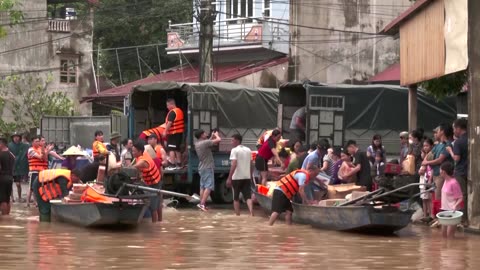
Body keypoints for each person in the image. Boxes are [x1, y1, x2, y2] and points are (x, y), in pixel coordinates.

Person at [131, 141, 163, 223]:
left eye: (134, 151)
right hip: (155, 180)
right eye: (132, 150)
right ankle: (160, 222)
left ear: (139, 151)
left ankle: (155, 226)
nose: (132, 152)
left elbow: (131, 168)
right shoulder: (142, 154)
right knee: (158, 203)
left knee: (153, 207)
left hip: (154, 183)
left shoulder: (143, 161)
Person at [446, 118, 468, 223]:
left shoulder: (458, 142)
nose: (454, 131)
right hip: (469, 170)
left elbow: (456, 158)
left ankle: (462, 219)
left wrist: (450, 150)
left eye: (454, 128)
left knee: (461, 195)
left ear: (459, 128)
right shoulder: (471, 139)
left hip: (460, 171)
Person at [194, 129, 221, 211]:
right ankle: (202, 204)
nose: (206, 134)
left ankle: (201, 204)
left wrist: (211, 137)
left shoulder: (198, 143)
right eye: (204, 133)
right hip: (208, 167)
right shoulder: (204, 143)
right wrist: (216, 135)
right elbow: (219, 140)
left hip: (202, 167)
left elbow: (208, 142)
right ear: (202, 135)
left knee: (202, 186)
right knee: (209, 186)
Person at [226, 134, 253, 216]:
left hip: (237, 177)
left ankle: (237, 215)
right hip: (246, 177)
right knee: (248, 197)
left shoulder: (234, 150)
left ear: (237, 141)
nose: (231, 142)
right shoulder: (248, 150)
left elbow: (234, 164)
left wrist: (229, 177)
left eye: (232, 140)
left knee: (236, 197)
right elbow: (251, 163)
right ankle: (251, 213)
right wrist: (250, 175)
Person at [26, 136, 53, 208]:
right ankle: (27, 203)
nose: (38, 142)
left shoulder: (41, 149)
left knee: (39, 187)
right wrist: (47, 150)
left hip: (42, 171)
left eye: (38, 141)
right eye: (36, 141)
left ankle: (36, 203)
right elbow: (40, 157)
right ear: (32, 142)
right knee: (31, 188)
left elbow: (45, 159)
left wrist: (45, 150)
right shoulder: (31, 150)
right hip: (34, 171)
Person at [439, 162, 463, 238]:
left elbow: (460, 197)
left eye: (440, 169)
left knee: (450, 236)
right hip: (444, 211)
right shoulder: (445, 181)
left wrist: (455, 205)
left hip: (453, 212)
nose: (439, 171)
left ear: (443, 172)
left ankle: (451, 249)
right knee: (443, 236)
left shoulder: (454, 183)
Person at [163, 98, 185, 170]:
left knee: (171, 149)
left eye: (167, 105)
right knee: (177, 149)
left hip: (173, 133)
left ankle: (172, 165)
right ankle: (179, 164)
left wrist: (165, 132)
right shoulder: (179, 111)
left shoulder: (172, 112)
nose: (167, 107)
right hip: (179, 133)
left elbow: (169, 123)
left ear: (171, 104)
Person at [8, 132, 29, 203]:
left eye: (17, 137)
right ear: (12, 138)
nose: (16, 138)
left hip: (18, 168)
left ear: (20, 138)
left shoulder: (24, 146)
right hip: (10, 167)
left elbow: (29, 148)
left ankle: (19, 197)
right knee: (10, 183)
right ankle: (12, 198)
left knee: (18, 184)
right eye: (14, 137)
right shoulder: (9, 145)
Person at [419, 138, 434, 223]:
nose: (425, 147)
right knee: (424, 199)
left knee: (429, 199)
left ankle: (431, 215)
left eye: (427, 146)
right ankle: (426, 215)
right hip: (424, 180)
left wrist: (430, 179)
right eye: (424, 146)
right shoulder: (426, 157)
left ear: (431, 146)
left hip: (428, 180)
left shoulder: (431, 155)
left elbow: (432, 169)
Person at [0, 138, 15, 215]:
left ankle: (5, 220)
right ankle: (8, 217)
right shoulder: (11, 154)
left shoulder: (0, 154)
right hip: (10, 178)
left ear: (1, 144)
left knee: (2, 200)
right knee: (7, 199)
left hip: (2, 178)